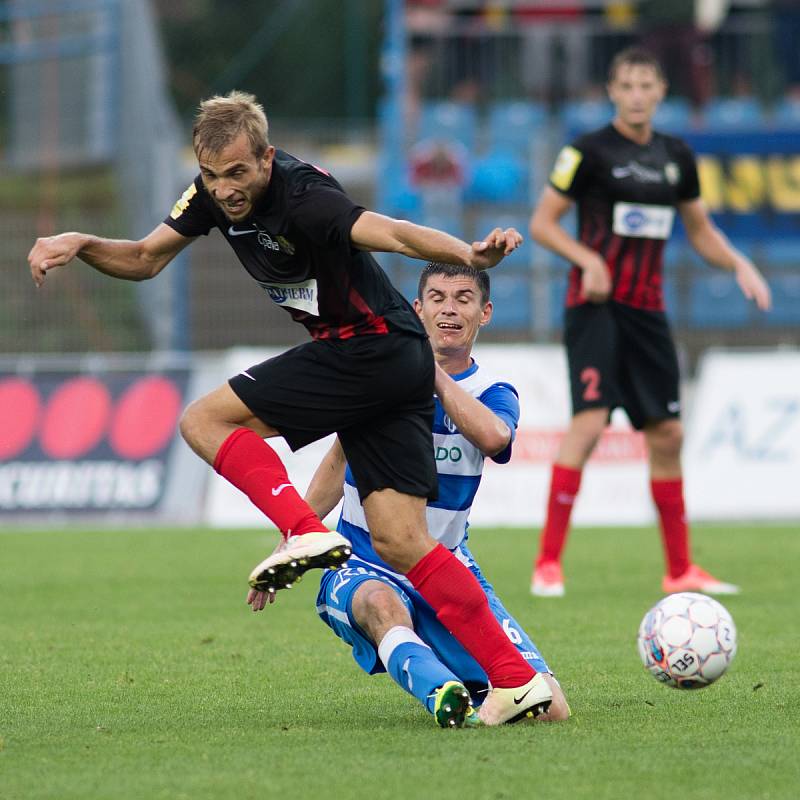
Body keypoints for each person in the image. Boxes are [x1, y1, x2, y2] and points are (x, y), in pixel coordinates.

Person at [28, 90, 550, 725]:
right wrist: (81, 241)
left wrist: (468, 254)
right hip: (397, 361)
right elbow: (143, 259)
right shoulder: (208, 197)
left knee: (202, 420)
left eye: (238, 173)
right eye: (213, 175)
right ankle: (517, 679)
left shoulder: (306, 194)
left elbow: (393, 232)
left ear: (267, 158)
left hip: (369, 350)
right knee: (402, 540)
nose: (225, 190)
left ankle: (305, 531)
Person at [528, 48, 771, 598]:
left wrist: (738, 262)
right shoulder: (585, 151)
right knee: (589, 424)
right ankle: (547, 563)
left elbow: (701, 229)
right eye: (627, 85)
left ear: (662, 92)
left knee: (668, 433)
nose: (637, 94)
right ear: (612, 90)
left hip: (648, 311)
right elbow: (542, 224)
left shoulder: (677, 156)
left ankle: (680, 568)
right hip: (594, 308)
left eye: (647, 85)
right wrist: (588, 260)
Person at [294, 262, 569, 727]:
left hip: (446, 568)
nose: (449, 308)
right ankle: (442, 693)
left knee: (550, 710)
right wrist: (292, 538)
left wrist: (430, 374)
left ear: (484, 313)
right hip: (361, 561)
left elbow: (495, 439)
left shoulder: (494, 391)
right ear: (418, 310)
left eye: (463, 298)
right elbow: (338, 462)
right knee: (380, 604)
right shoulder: (376, 383)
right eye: (437, 298)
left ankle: (479, 684)